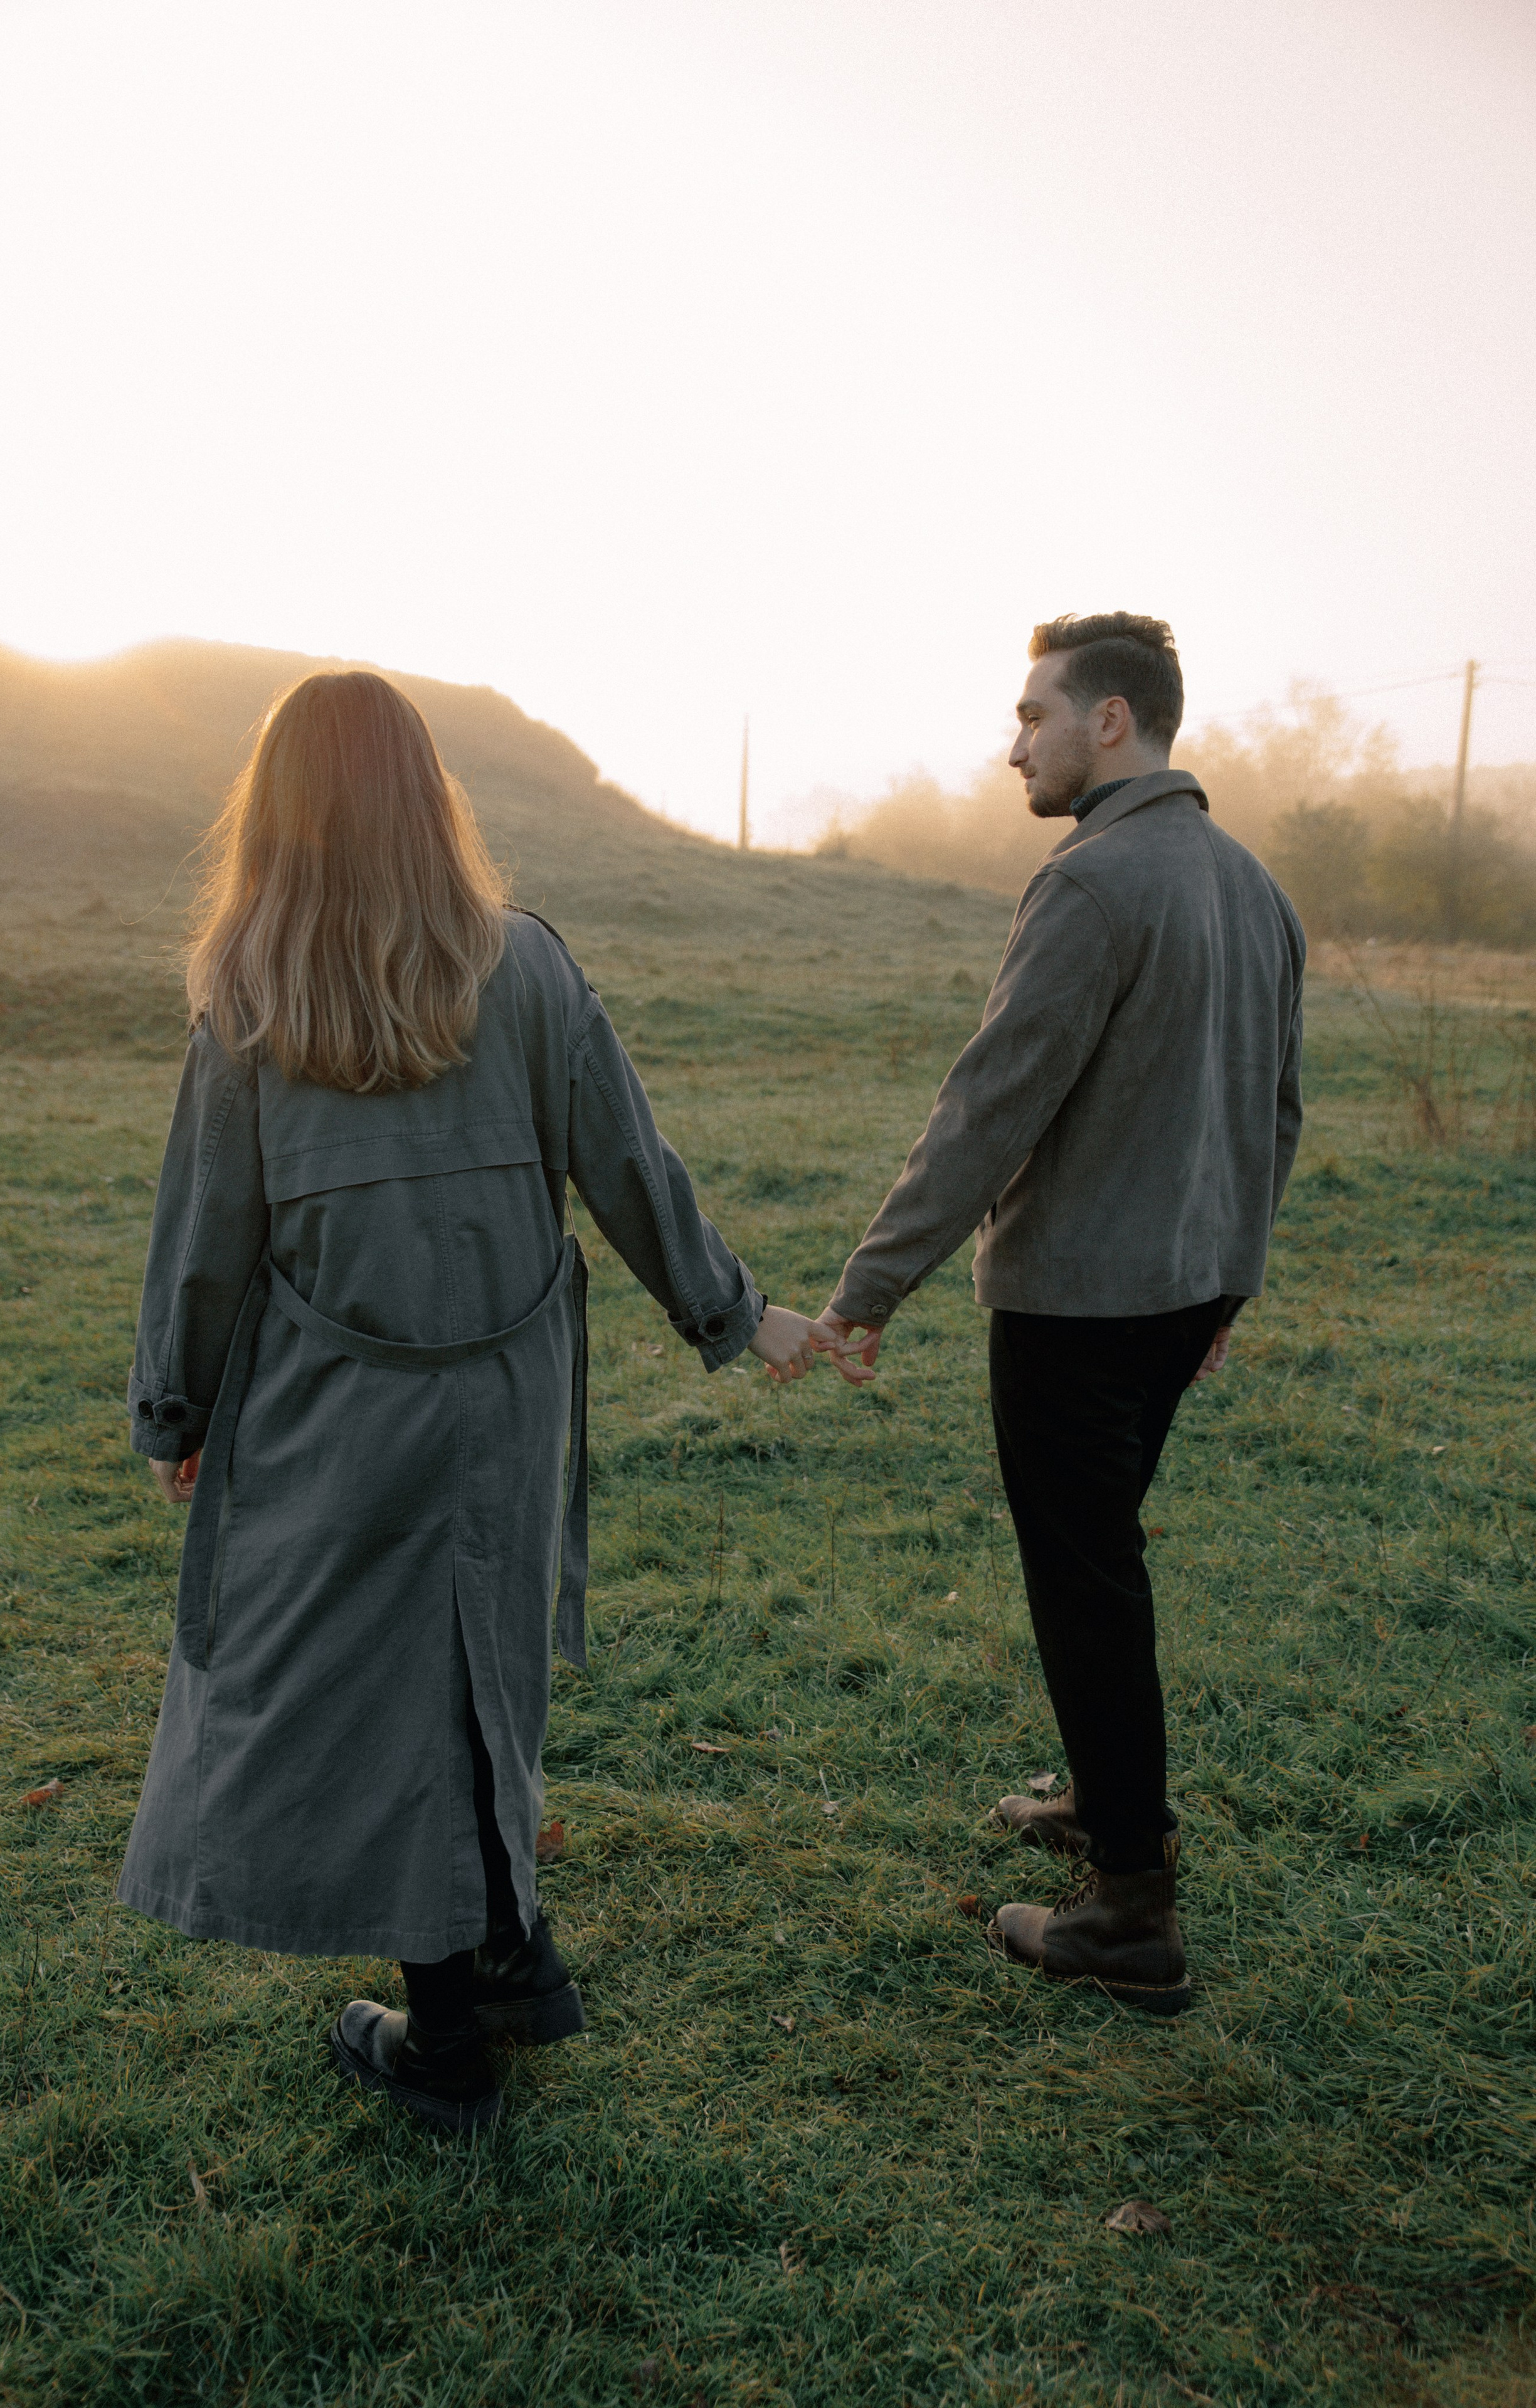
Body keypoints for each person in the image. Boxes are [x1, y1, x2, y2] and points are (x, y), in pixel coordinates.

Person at [122, 669, 836, 2131]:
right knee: (462, 1683)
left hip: (335, 1411)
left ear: (278, 813)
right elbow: (628, 1165)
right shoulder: (520, 965)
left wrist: (176, 1416)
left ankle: (451, 2038)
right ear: (426, 795)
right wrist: (733, 1314)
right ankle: (499, 1963)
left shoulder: (256, 994)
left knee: (399, 1695)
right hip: (492, 1399)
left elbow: (203, 1244)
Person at [817, 613, 1305, 2016]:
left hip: (1083, 1305)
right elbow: (1277, 1112)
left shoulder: (1091, 885)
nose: (1010, 740)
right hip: (1182, 1294)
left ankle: (1129, 1911)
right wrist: (1235, 1277)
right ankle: (1103, 1801)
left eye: (1031, 712)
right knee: (1100, 1561)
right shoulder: (1249, 882)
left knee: (1085, 1585)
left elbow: (990, 1103)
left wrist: (868, 1288)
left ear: (1109, 724)